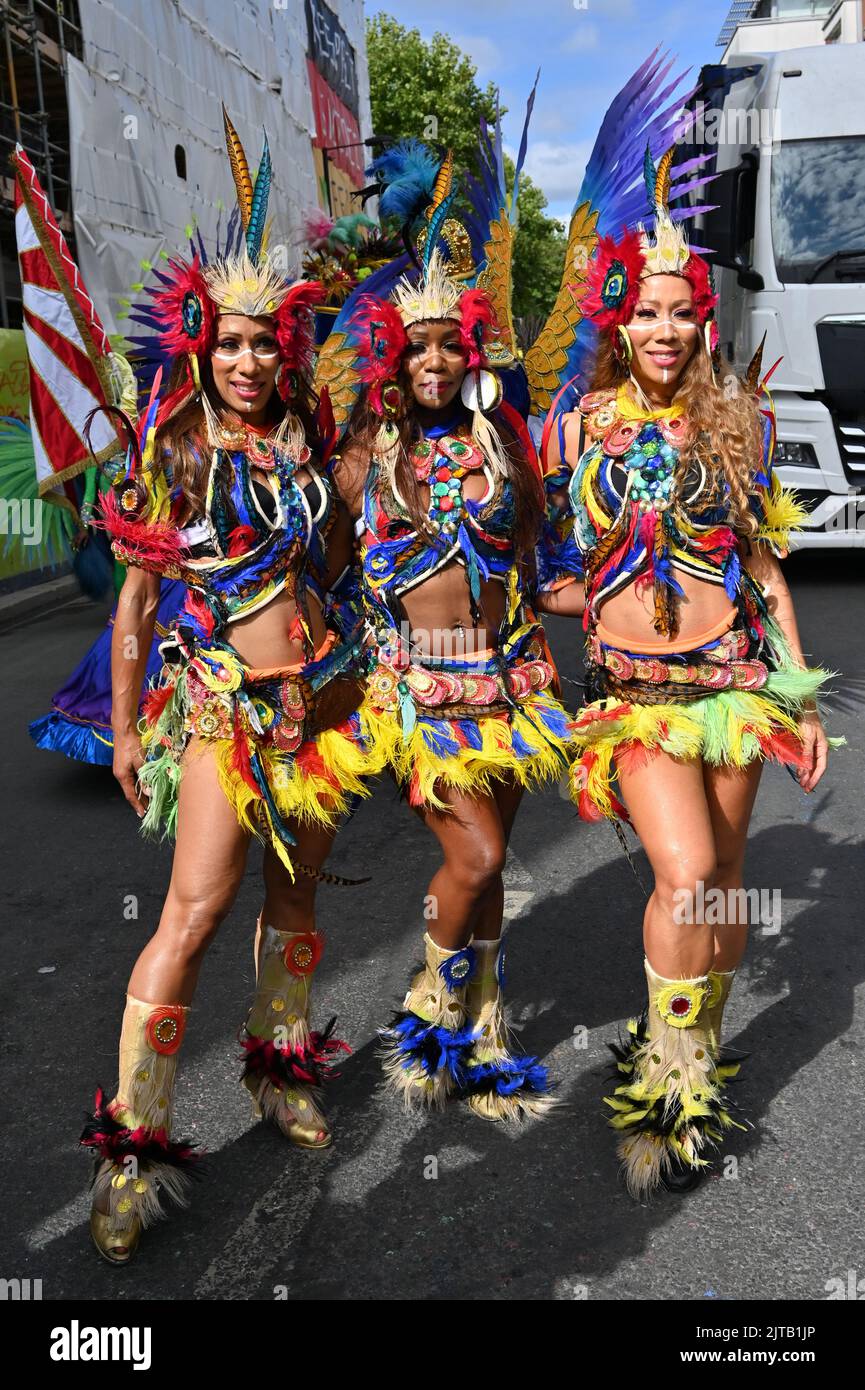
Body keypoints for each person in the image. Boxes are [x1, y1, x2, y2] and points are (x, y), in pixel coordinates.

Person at [79, 111, 381, 1264]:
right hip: (222, 712)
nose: (250, 360)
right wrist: (119, 727)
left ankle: (279, 1068)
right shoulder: (177, 446)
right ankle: (132, 1148)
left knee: (298, 907)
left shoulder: (305, 438)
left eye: (267, 343)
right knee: (194, 914)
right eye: (233, 343)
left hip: (323, 715)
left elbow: (340, 564)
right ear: (202, 343)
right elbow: (137, 604)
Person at [549, 146, 838, 1197]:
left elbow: (761, 566)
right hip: (634, 701)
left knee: (719, 885)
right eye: (647, 313)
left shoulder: (737, 425)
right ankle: (664, 1095)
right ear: (618, 320)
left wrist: (797, 693)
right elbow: (525, 552)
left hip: (734, 690)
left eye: (681, 313)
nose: (663, 331)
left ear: (699, 321)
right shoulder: (572, 429)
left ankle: (696, 1063)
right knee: (680, 876)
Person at [324, 138, 575, 1124]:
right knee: (468, 860)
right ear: (396, 356)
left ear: (471, 354)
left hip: (510, 685)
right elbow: (315, 567)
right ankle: (431, 1010)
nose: (433, 361)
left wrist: (616, 599)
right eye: (415, 346)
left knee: (495, 869)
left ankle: (484, 1027)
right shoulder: (361, 458)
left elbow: (540, 565)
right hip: (418, 695)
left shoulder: (503, 446)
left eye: (448, 346)